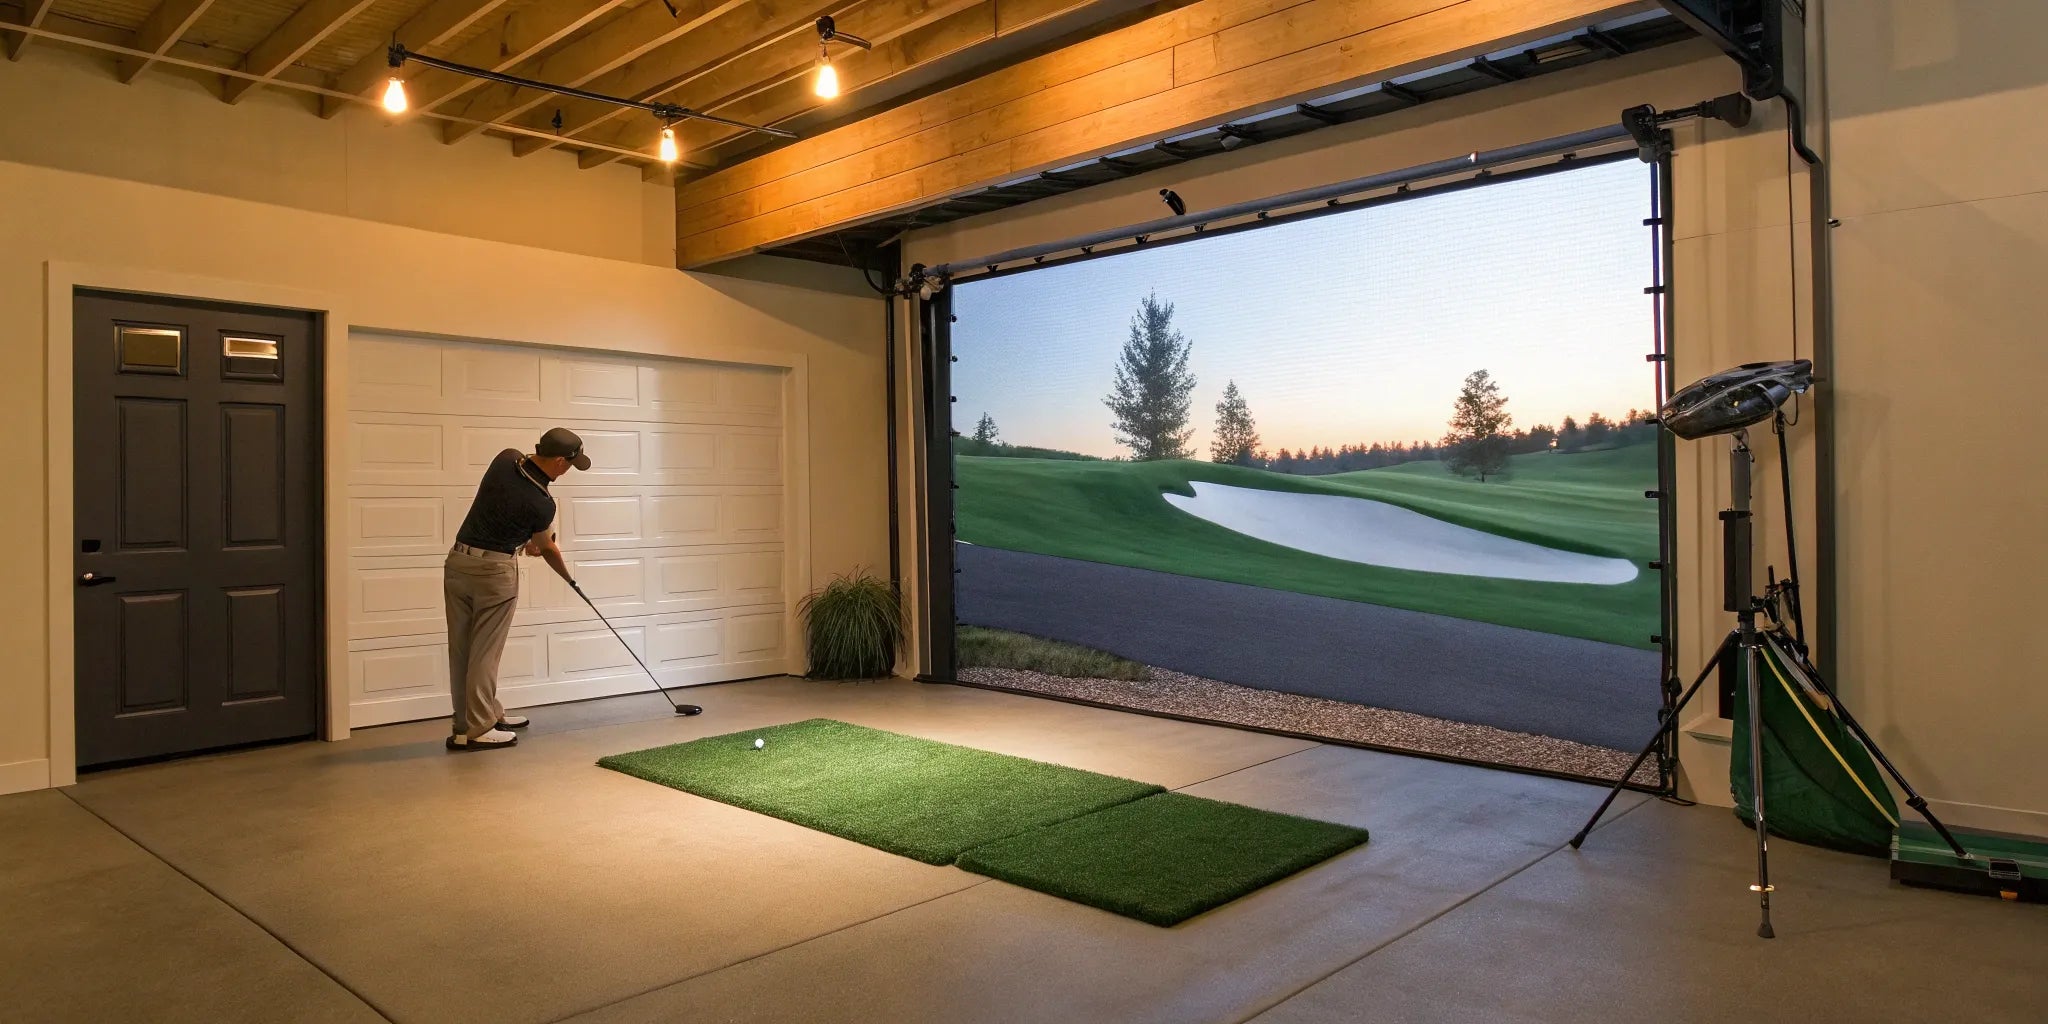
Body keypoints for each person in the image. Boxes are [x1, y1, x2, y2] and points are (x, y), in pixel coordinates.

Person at [443, 427, 588, 751]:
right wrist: (570, 579)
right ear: (560, 461)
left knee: (462, 649)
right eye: (570, 464)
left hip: (458, 563)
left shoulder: (505, 459)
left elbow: (504, 507)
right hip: (494, 573)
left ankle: (471, 723)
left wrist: (527, 539)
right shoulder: (542, 503)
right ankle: (479, 728)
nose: (568, 470)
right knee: (485, 652)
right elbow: (545, 548)